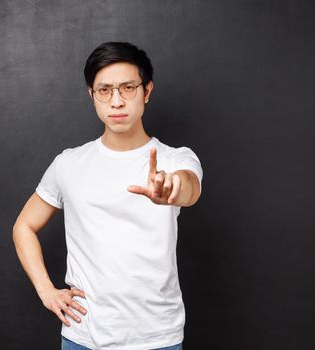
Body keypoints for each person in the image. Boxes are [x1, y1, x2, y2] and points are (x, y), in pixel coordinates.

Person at [13, 42, 204, 350]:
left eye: (128, 87)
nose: (117, 101)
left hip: (158, 337)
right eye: (105, 90)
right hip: (83, 337)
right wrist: (46, 290)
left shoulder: (176, 159)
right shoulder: (68, 163)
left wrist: (173, 188)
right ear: (92, 95)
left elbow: (189, 188)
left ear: (147, 91)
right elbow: (23, 226)